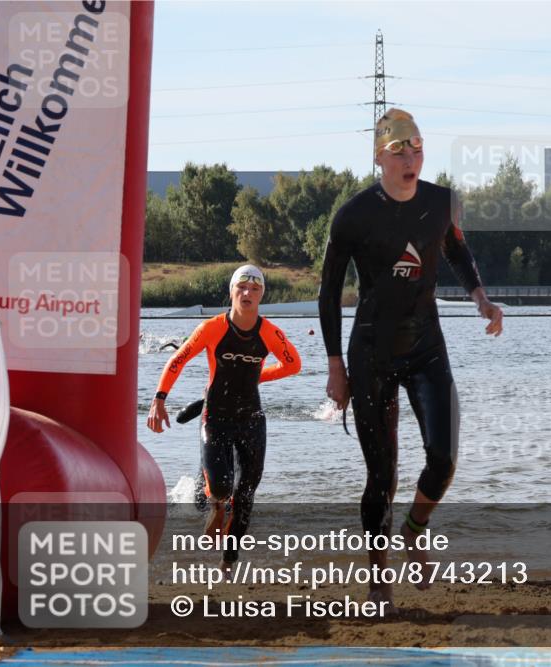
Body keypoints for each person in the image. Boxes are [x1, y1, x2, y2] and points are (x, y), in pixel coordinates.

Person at [318, 108, 503, 608]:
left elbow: (456, 251)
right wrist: (336, 367)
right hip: (371, 352)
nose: (410, 158)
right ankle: (378, 573)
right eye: (399, 150)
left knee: (443, 459)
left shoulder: (443, 202)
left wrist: (481, 298)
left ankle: (415, 526)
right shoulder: (353, 215)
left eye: (417, 148)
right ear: (378, 156)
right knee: (383, 474)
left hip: (425, 346)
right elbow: (328, 294)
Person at [147, 265, 301, 569]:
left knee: (246, 493)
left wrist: (257, 375)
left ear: (261, 296)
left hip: (252, 418)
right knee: (220, 486)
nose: (247, 293)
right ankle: (216, 504)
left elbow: (293, 364)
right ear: (231, 292)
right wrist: (159, 398)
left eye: (254, 289)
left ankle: (229, 560)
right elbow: (177, 360)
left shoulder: (270, 332)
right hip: (216, 416)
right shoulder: (213, 328)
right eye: (241, 287)